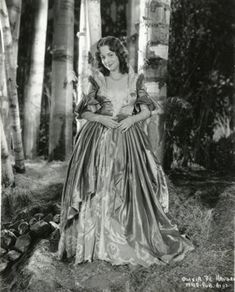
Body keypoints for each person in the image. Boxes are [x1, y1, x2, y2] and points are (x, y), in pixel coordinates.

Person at [57, 36, 195, 267]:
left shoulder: (134, 79)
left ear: (119, 54)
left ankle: (123, 244)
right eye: (102, 56)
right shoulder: (98, 80)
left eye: (110, 54)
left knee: (126, 188)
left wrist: (131, 120)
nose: (107, 60)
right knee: (98, 186)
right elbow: (84, 112)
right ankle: (95, 245)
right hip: (98, 141)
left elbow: (148, 110)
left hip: (127, 139)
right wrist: (101, 117)